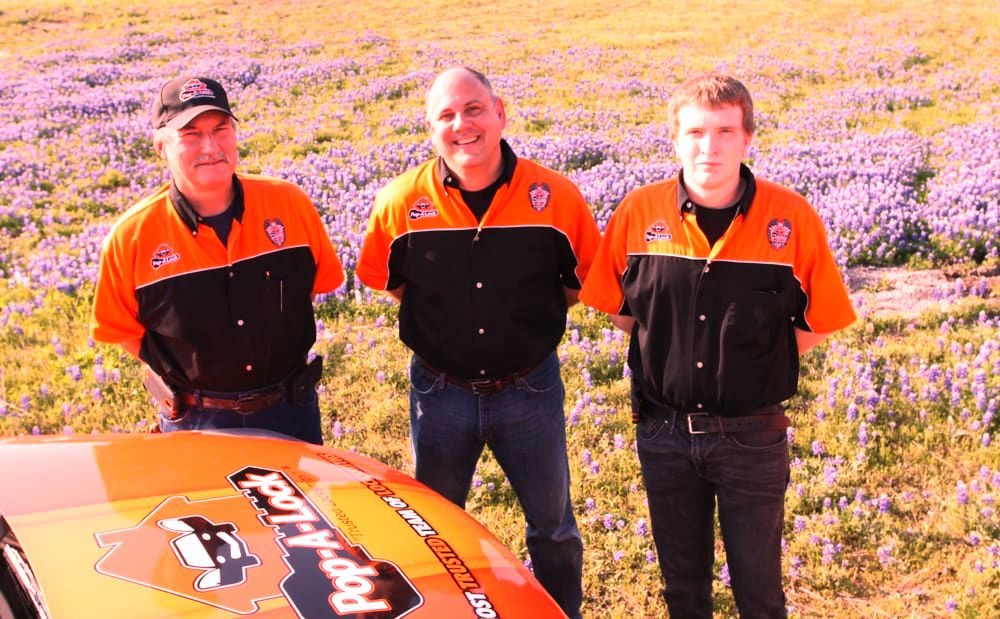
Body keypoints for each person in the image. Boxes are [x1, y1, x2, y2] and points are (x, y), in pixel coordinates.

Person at [579, 73, 857, 618]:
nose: (710, 146)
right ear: (675, 139)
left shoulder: (790, 217)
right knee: (683, 590)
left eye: (726, 131)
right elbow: (618, 307)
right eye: (696, 132)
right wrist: (673, 348)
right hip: (664, 430)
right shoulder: (638, 212)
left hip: (751, 435)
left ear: (748, 137)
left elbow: (822, 318)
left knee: (759, 591)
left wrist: (757, 362)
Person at [356, 67, 599, 618]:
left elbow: (578, 282)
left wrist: (524, 323)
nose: (461, 125)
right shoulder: (400, 201)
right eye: (446, 115)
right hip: (440, 391)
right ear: (430, 128)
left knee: (553, 527)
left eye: (473, 109)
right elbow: (389, 281)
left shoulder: (555, 196)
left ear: (500, 112)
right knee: (433, 528)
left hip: (529, 388)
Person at [91, 76, 345, 444]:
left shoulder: (289, 203)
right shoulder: (131, 235)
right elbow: (119, 329)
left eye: (220, 129)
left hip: (290, 407)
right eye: (190, 134)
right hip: (196, 418)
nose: (210, 146)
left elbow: (314, 286)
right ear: (160, 146)